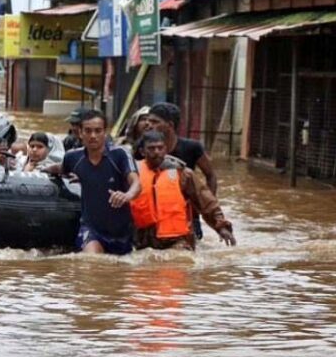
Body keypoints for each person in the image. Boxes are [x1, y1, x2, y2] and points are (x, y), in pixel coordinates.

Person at [44, 110, 141, 255]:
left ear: (105, 132)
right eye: (88, 131)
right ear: (80, 133)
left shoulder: (120, 154)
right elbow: (60, 169)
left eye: (98, 131)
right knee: (92, 263)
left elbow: (136, 183)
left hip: (121, 232)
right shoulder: (73, 157)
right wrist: (38, 169)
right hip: (91, 230)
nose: (93, 136)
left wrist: (127, 195)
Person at [130, 131, 236, 250]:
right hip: (142, 240)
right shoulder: (132, 173)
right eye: (151, 148)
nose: (156, 152)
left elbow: (206, 201)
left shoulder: (183, 174)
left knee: (179, 262)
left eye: (160, 148)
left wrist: (221, 226)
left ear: (166, 149)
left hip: (177, 240)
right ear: (142, 152)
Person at [147, 102, 218, 239]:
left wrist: (207, 206)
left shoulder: (192, 148)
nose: (149, 125)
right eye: (148, 121)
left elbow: (211, 175)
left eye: (155, 122)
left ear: (170, 125)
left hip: (188, 216)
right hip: (156, 216)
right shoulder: (144, 149)